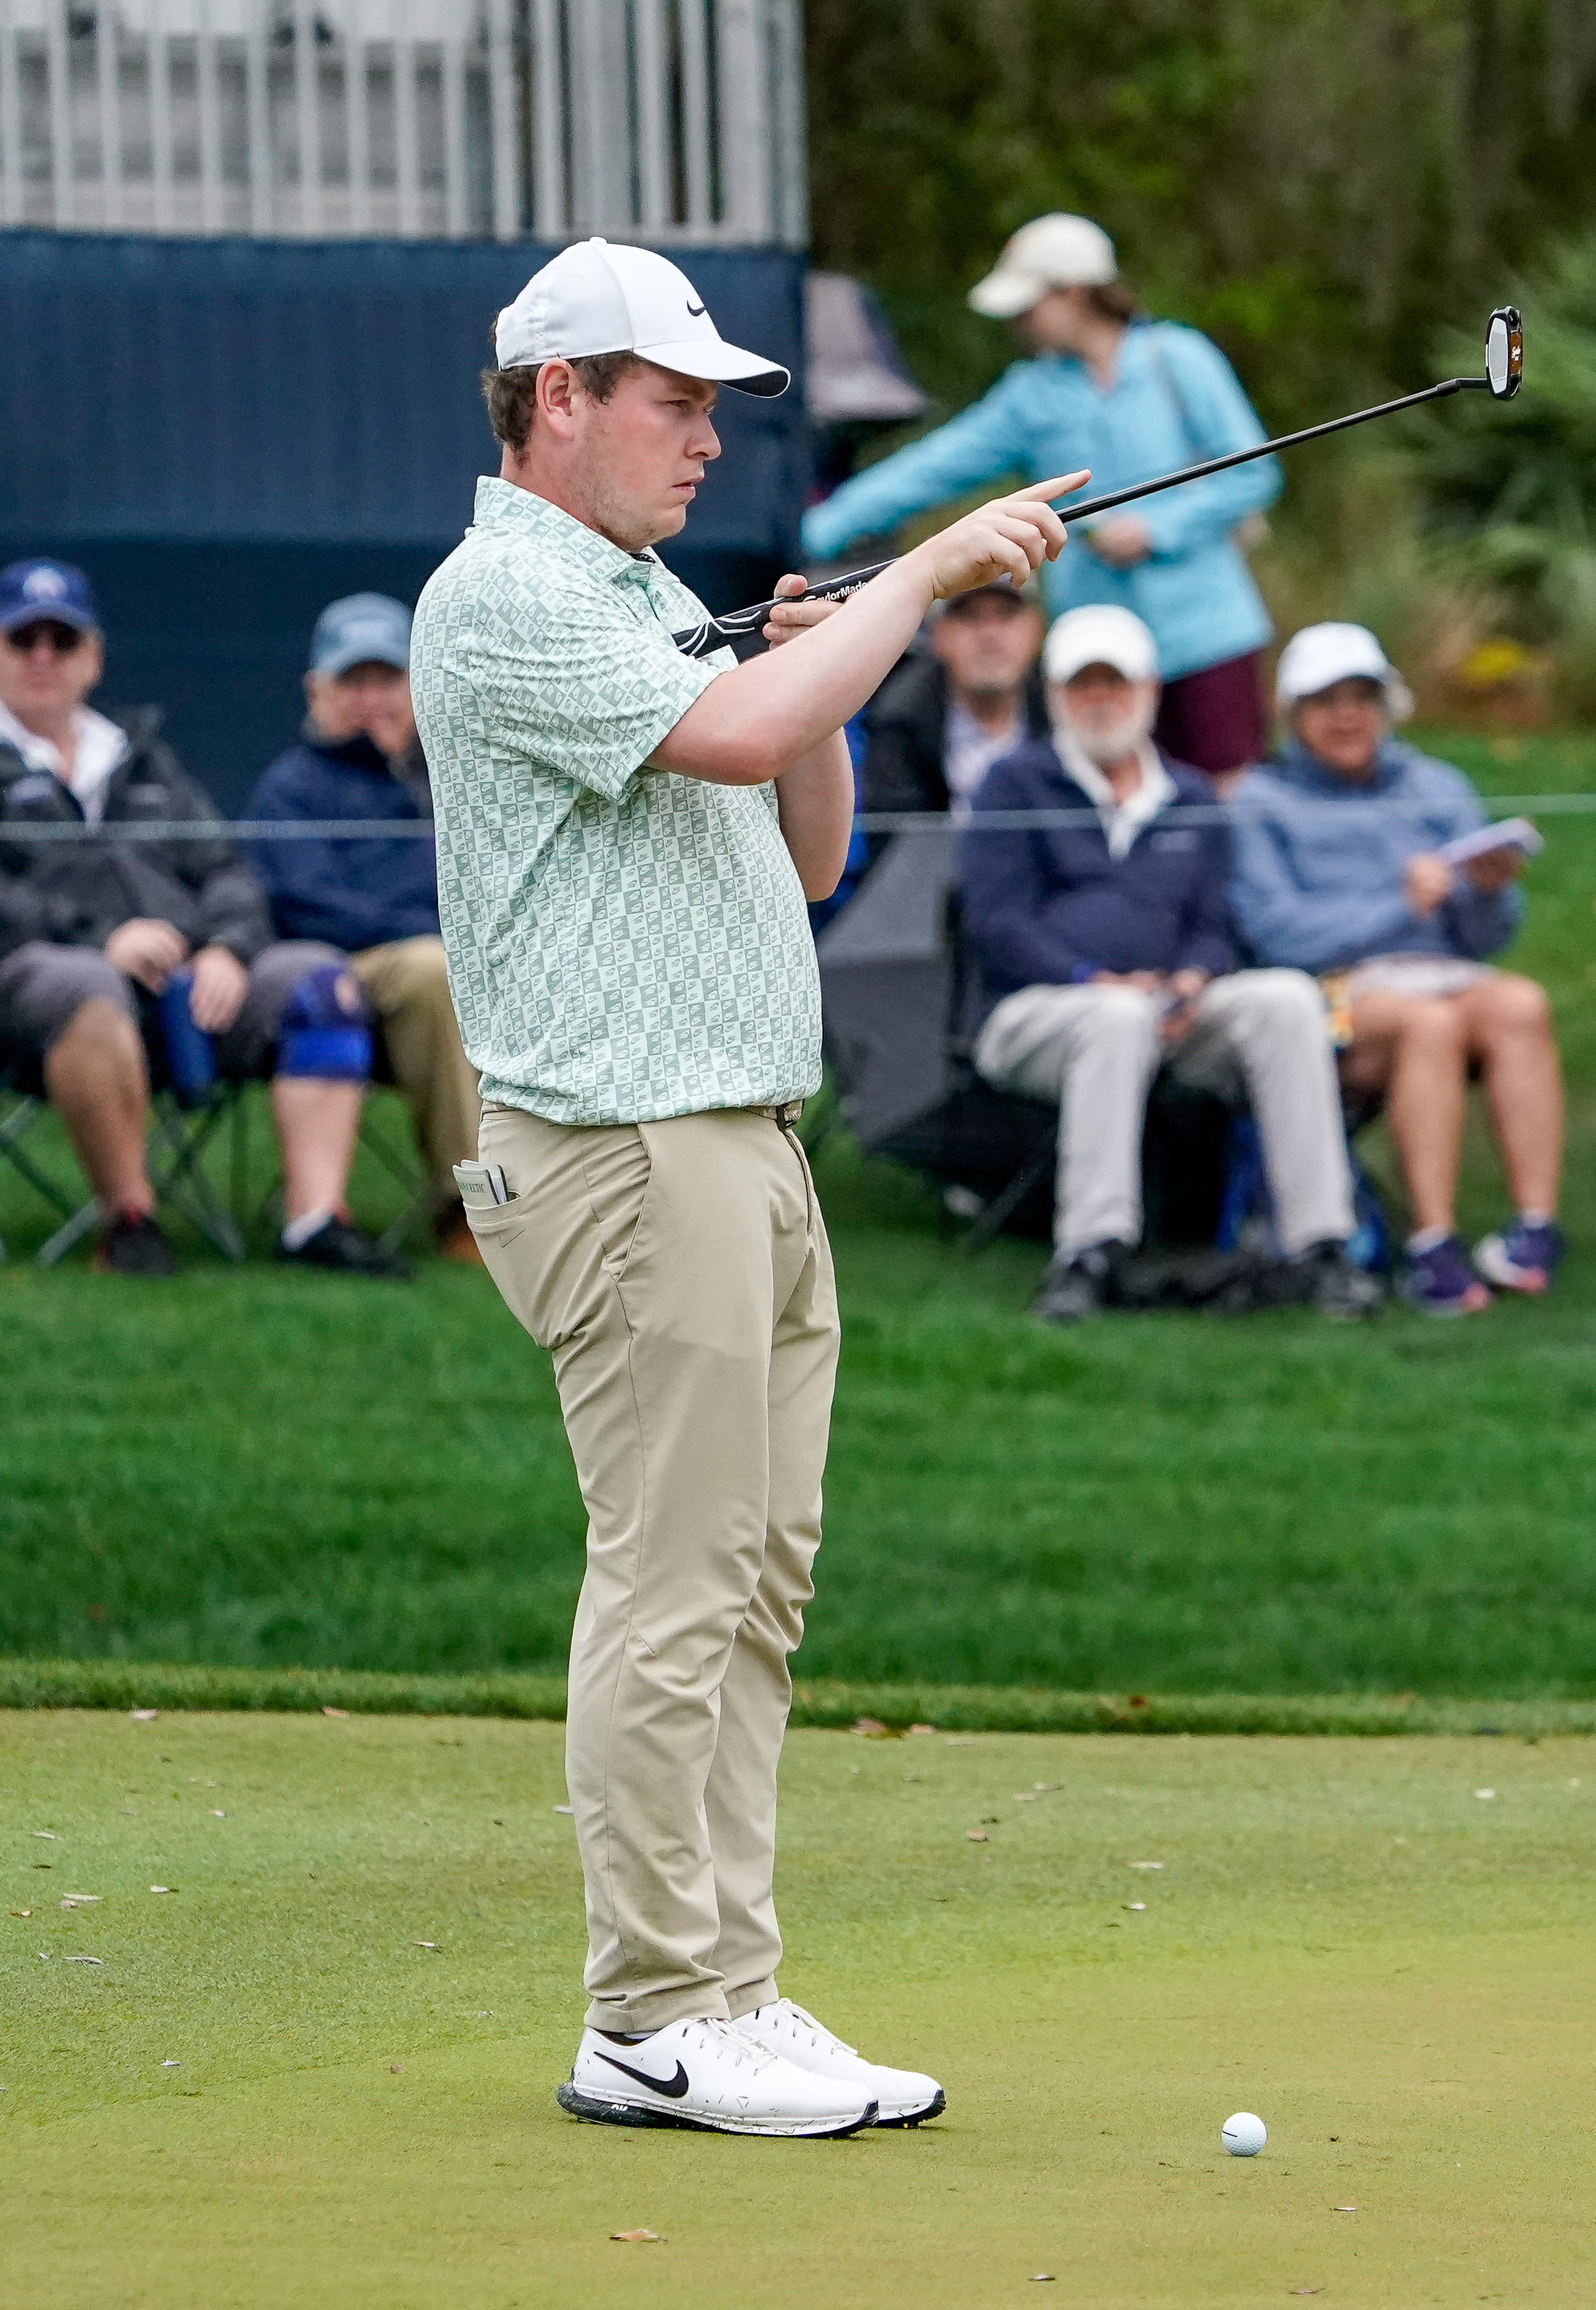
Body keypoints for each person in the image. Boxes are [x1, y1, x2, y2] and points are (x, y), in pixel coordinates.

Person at [416, 234, 1074, 2138]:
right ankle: (652, 2011)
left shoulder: (639, 601)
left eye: (716, 409)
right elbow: (730, 736)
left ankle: (736, 1986)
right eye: (675, 403)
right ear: (564, 400)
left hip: (741, 1144)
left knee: (758, 1586)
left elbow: (795, 843)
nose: (708, 442)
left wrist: (828, 666)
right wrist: (929, 578)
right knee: (674, 1577)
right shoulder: (500, 597)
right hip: (625, 1151)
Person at [0, 559, 402, 1280]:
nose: (42, 656)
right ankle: (131, 1220)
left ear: (92, 657)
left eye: (61, 640)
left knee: (319, 980)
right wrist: (97, 939)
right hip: (16, 995)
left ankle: (315, 1221)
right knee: (87, 985)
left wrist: (226, 947)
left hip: (193, 989)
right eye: (22, 638)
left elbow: (226, 869)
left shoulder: (143, 761)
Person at [959, 604, 1382, 1325]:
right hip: (1036, 1013)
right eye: (1082, 685)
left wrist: (1192, 978)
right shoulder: (1014, 785)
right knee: (1117, 1017)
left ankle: (1322, 1248)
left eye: (1115, 684)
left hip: (1174, 1011)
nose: (1101, 700)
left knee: (1285, 998)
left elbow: (1217, 923)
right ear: (1055, 695)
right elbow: (997, 923)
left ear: (1150, 691)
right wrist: (1091, 979)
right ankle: (1089, 1254)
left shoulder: (1188, 794)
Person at [797, 213, 1282, 784]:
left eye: (1030, 306)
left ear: (1074, 293)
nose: (1021, 322)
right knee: (1102, 789)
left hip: (1208, 631)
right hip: (1092, 641)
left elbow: (1253, 474)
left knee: (1222, 792)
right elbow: (936, 467)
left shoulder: (1179, 358)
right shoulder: (1031, 395)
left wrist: (1156, 529)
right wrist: (818, 528)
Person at [1231, 622, 1564, 1316]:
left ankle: (1535, 1229)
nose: (1348, 716)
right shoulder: (1262, 802)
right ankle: (1431, 1244)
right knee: (1429, 1023)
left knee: (1520, 1004)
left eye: (1362, 698)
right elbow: (1276, 934)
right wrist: (1396, 907)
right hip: (1328, 998)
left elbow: (1480, 940)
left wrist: (1490, 891)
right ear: (1294, 715)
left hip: (1437, 971)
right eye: (1326, 702)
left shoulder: (1435, 785)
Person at [240, 591, 486, 1261]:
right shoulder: (289, 788)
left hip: (464, 962)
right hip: (348, 977)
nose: (374, 698)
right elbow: (304, 904)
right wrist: (434, 931)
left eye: (389, 680)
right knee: (430, 967)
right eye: (355, 681)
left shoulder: (453, 776)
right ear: (316, 691)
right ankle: (474, 1208)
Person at [853, 575, 1049, 870]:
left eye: (1007, 615)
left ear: (1036, 629)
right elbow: (896, 857)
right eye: (969, 616)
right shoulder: (899, 720)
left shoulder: (1064, 706)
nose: (990, 635)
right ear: (938, 635)